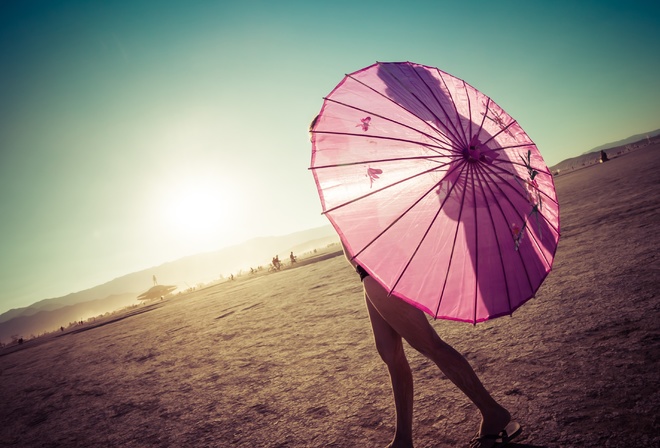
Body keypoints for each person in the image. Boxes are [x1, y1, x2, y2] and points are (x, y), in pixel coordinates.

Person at [342, 244, 521, 448]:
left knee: (430, 345)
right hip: (367, 273)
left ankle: (493, 413)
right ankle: (402, 439)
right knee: (390, 355)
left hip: (379, 270)